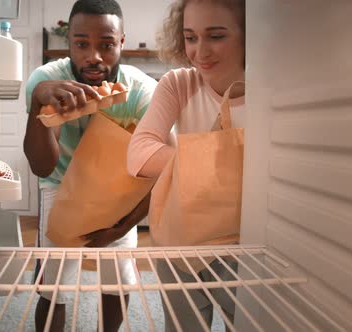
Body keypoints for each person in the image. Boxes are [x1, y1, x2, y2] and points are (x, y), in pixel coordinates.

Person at [23, 0, 157, 330]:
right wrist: (40, 101)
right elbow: (42, 166)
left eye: (107, 45)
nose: (94, 56)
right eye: (82, 44)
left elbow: (160, 171)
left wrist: (124, 226)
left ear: (122, 42)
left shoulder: (142, 92)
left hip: (118, 191)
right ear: (68, 42)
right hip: (59, 183)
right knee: (53, 287)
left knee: (118, 281)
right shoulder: (45, 82)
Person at [127, 0, 246, 330]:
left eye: (216, 36)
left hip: (245, 244)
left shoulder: (270, 91)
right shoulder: (179, 83)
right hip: (180, 239)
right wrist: (224, 161)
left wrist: (196, 162)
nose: (200, 52)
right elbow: (139, 154)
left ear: (251, 34)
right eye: (190, 37)